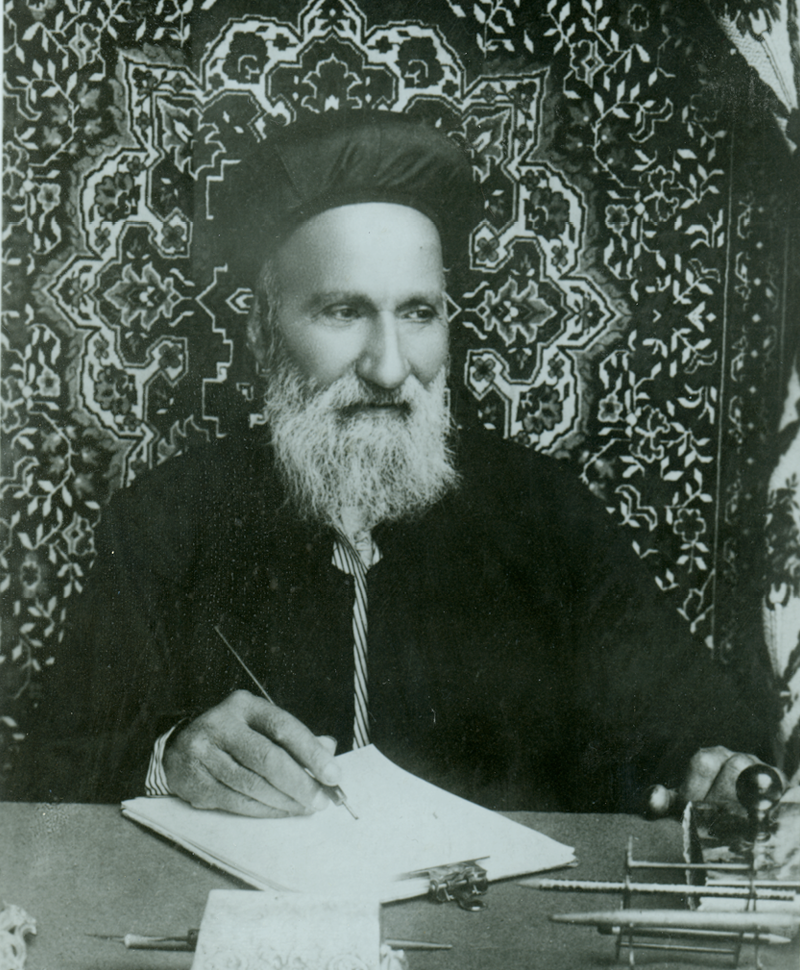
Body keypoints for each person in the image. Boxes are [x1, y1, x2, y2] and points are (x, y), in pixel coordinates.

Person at [16, 111, 778, 816]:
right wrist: (171, 759)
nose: (389, 367)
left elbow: (701, 735)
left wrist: (711, 772)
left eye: (418, 313)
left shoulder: (548, 514)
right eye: (344, 312)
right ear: (262, 331)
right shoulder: (165, 519)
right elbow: (53, 772)